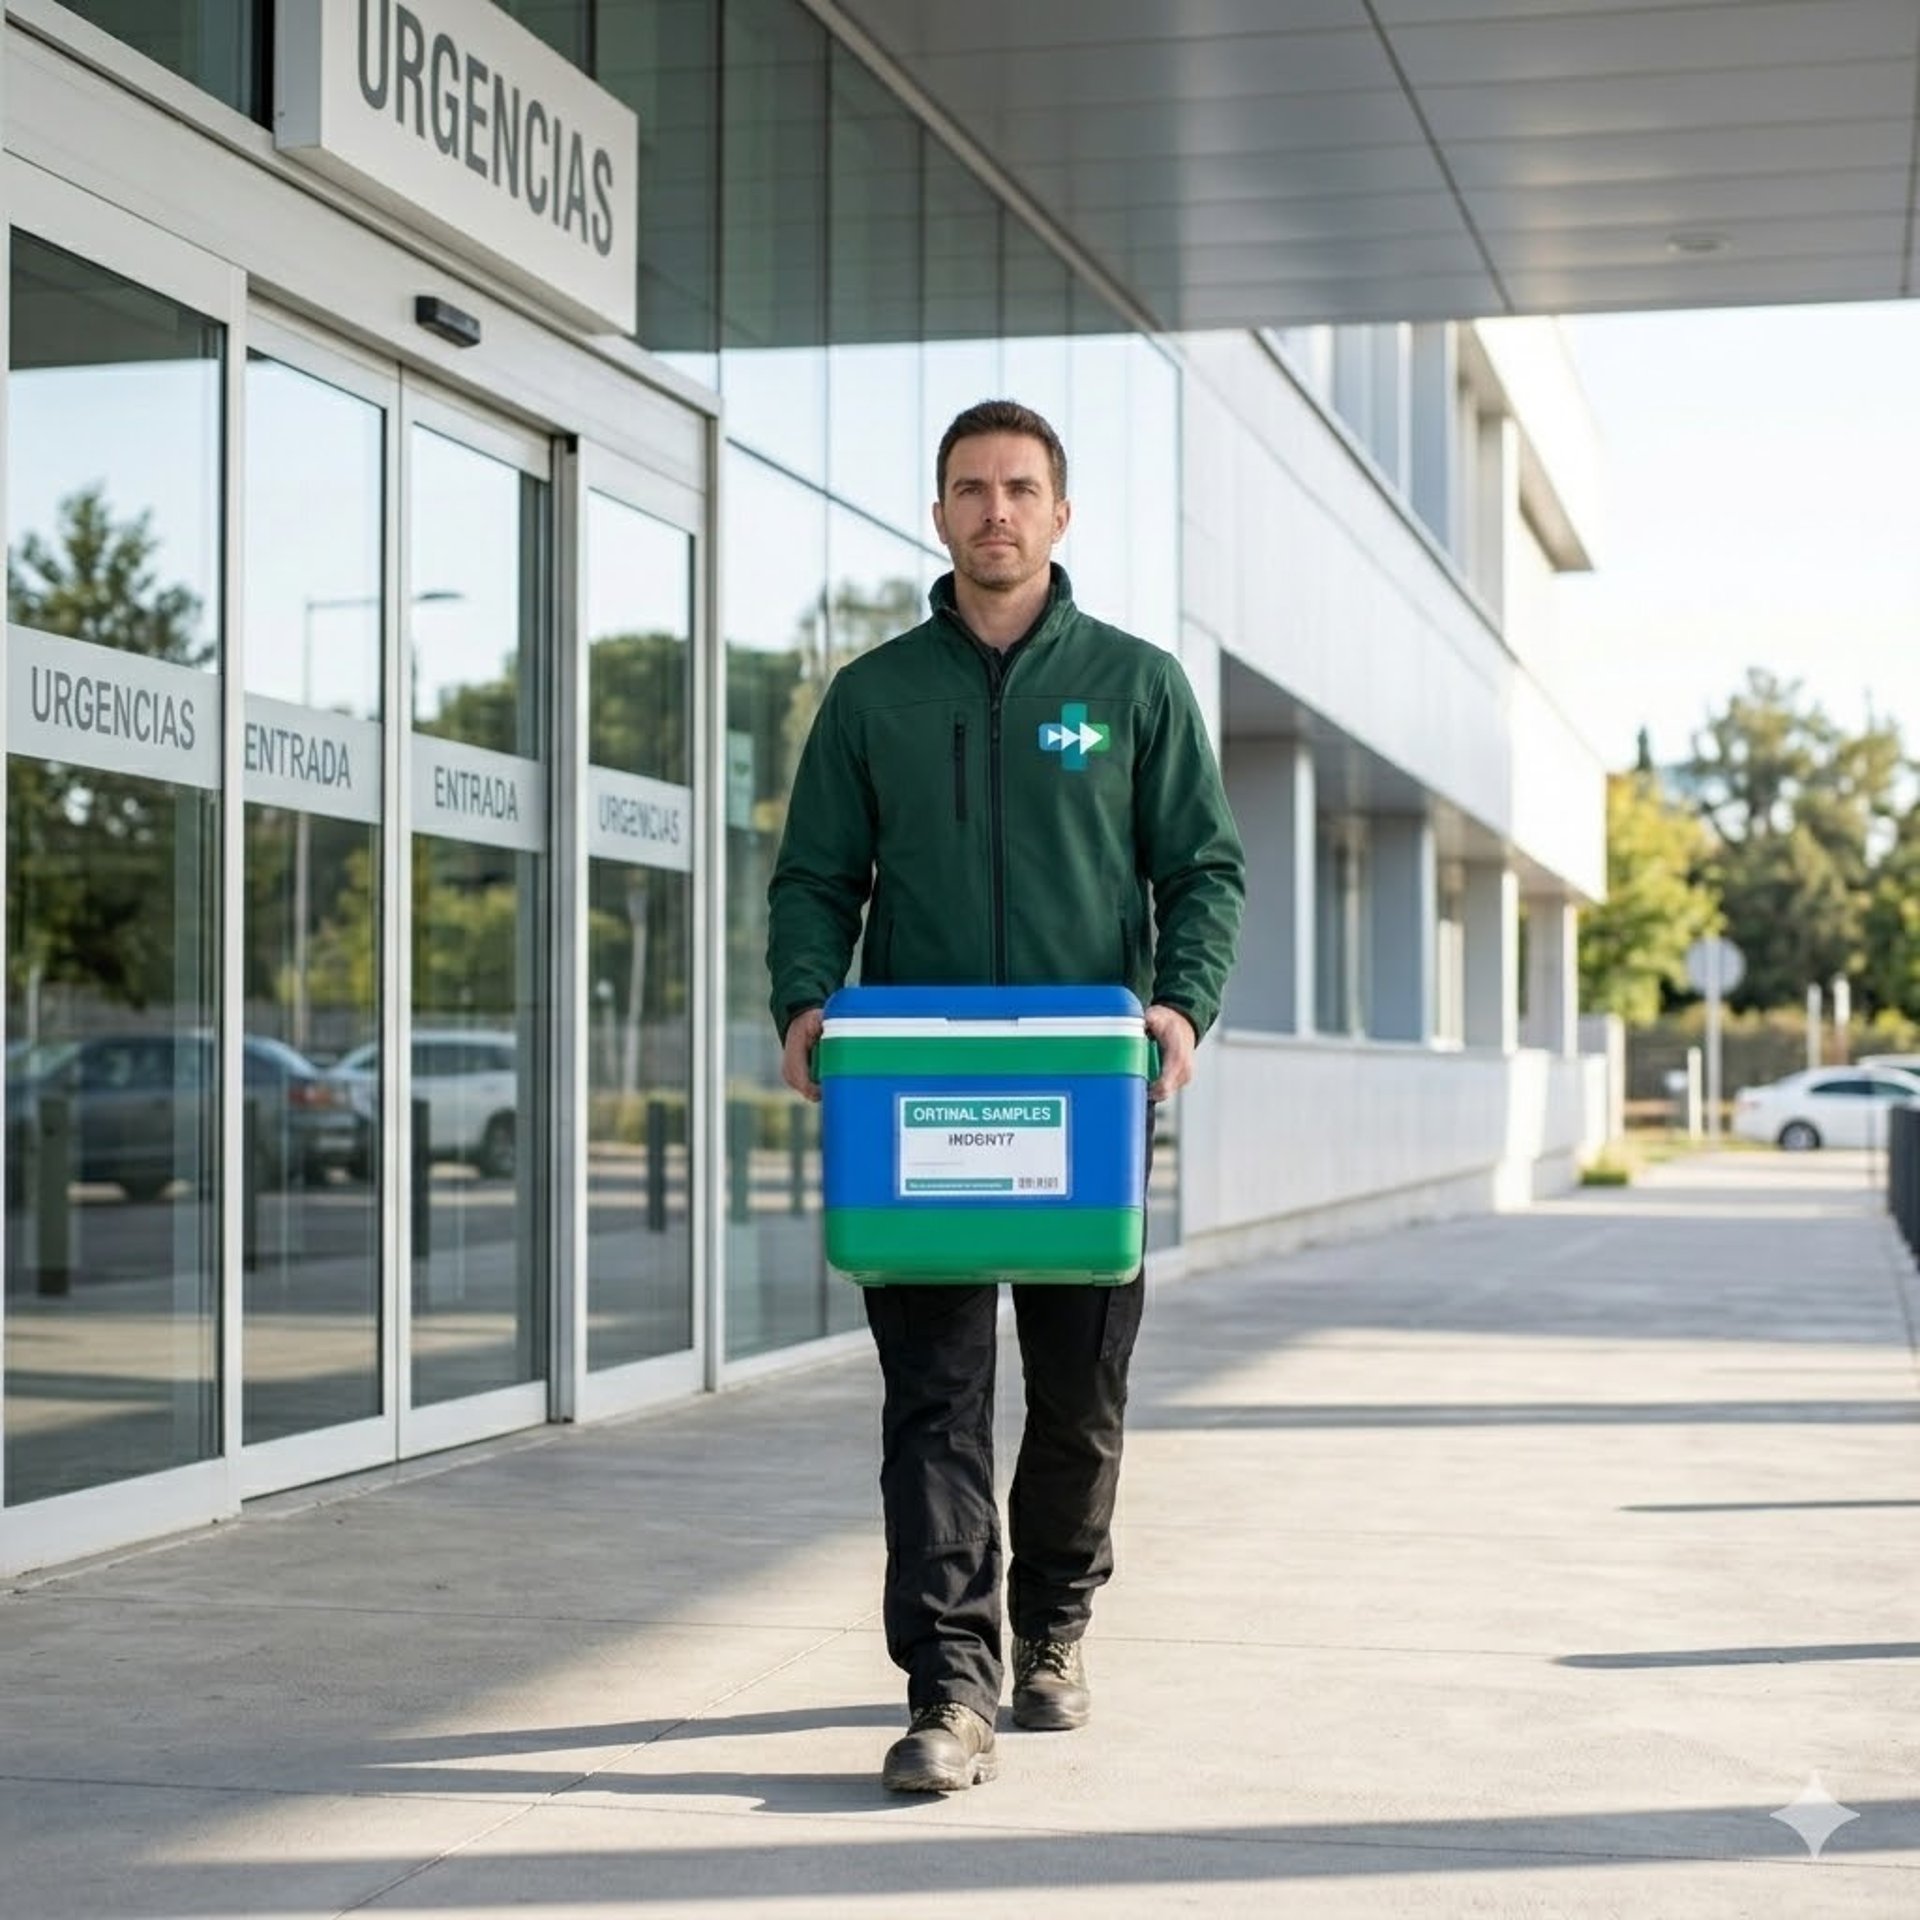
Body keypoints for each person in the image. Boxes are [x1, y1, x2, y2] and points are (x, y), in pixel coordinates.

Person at [767, 399, 1245, 1793]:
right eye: (971, 489)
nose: (996, 511)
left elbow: (1201, 869)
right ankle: (950, 1685)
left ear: (1060, 513)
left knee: (1081, 1389)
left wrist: (1181, 1005)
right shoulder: (873, 697)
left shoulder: (1135, 686)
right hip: (915, 1092)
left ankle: (1054, 1630)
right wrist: (806, 996)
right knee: (934, 1400)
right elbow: (815, 878)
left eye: (1021, 488)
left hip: (1084, 1094)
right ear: (939, 515)